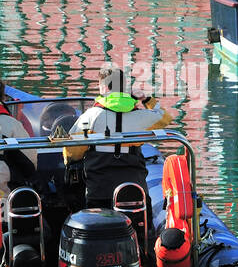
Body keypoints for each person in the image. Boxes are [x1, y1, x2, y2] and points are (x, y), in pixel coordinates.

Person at [64, 64, 172, 208]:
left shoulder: (91, 116)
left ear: (104, 88)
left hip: (99, 190)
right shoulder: (140, 116)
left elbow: (71, 150)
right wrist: (145, 99)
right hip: (135, 188)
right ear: (125, 88)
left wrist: (70, 162)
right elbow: (165, 117)